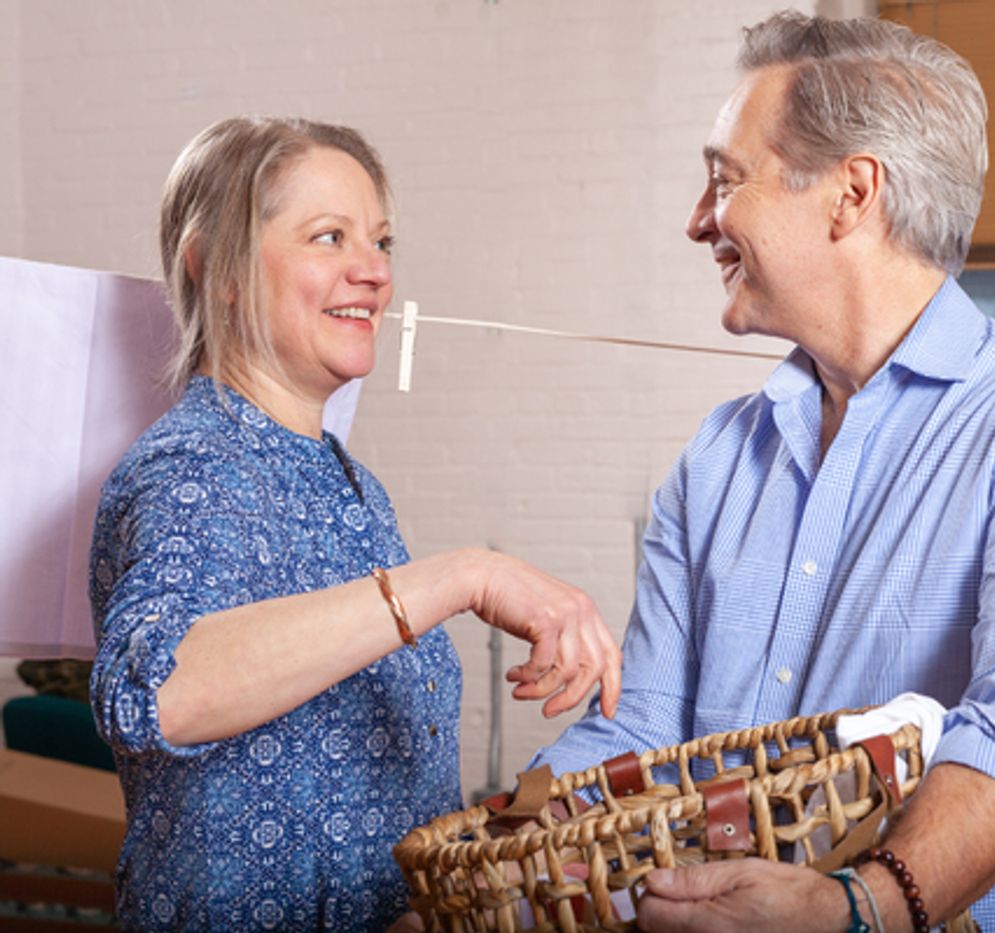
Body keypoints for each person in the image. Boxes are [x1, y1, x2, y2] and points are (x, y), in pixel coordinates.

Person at [535, 12, 995, 933]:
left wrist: (857, 909)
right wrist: (500, 864)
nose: (701, 219)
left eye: (725, 179)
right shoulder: (719, 453)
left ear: (852, 193)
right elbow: (641, 735)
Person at [88, 116, 621, 931]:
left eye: (380, 241)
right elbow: (156, 694)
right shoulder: (192, 467)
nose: (373, 271)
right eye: (328, 237)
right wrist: (462, 574)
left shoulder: (354, 488)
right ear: (214, 269)